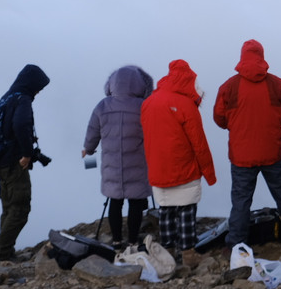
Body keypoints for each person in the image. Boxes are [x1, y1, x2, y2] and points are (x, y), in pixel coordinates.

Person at [213, 40, 281, 248]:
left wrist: (236, 126)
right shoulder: (277, 84)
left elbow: (219, 118)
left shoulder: (229, 86)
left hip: (241, 155)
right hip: (272, 151)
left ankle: (237, 243)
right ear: (262, 56)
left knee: (241, 201)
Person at [140, 59, 217, 268]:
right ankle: (189, 253)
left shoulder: (149, 102)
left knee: (166, 210)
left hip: (159, 167)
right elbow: (199, 143)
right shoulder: (186, 105)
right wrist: (209, 173)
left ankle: (167, 252)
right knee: (186, 211)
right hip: (184, 166)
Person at [82, 65, 154, 249]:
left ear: (112, 84)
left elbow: (93, 132)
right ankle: (132, 241)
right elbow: (152, 134)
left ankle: (116, 240)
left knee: (114, 201)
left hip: (111, 165)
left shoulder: (103, 105)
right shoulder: (144, 106)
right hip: (137, 163)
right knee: (136, 203)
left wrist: (88, 150)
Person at [0, 64, 50, 262]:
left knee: (9, 208)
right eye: (39, 87)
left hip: (1, 161)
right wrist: (27, 153)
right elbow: (21, 124)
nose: (39, 91)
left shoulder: (7, 97)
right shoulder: (22, 99)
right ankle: (2, 253)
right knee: (20, 208)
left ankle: (5, 252)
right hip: (14, 162)